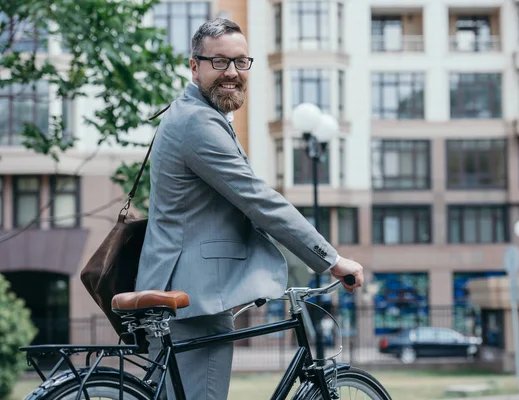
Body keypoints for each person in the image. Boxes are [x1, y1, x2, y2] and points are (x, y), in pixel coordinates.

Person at [135, 17, 364, 400]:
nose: (232, 72)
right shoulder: (197, 123)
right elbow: (259, 200)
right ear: (195, 66)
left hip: (184, 289)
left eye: (241, 62)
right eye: (219, 62)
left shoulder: (192, 115)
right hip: (195, 298)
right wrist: (332, 260)